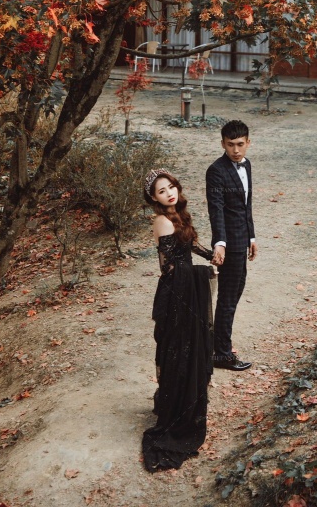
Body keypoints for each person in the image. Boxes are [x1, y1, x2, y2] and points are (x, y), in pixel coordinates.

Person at [142, 169, 215, 473]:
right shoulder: (162, 221)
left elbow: (190, 245)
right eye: (161, 191)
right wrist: (202, 272)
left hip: (187, 290)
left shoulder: (179, 214)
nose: (169, 193)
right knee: (177, 349)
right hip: (176, 293)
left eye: (171, 186)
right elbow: (168, 267)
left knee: (189, 347)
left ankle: (182, 401)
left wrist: (211, 255)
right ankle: (174, 410)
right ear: (153, 198)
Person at [206, 120, 258, 372]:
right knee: (228, 298)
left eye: (240, 144)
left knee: (235, 293)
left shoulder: (247, 165)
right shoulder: (216, 171)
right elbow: (215, 209)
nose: (235, 150)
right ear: (222, 144)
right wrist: (220, 243)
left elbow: (246, 206)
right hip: (229, 244)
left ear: (248, 142)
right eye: (230, 145)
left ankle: (218, 346)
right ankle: (222, 354)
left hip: (242, 239)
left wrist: (252, 238)